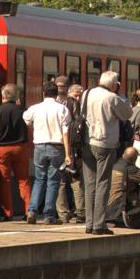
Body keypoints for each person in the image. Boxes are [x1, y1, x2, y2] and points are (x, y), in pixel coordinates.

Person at [81, 71, 133, 234]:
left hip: (87, 142)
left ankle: (89, 223)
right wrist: (119, 93)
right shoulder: (112, 98)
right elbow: (127, 114)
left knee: (90, 184)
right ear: (114, 84)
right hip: (105, 144)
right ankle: (99, 224)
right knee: (103, 182)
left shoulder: (86, 94)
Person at [23, 79, 72, 225]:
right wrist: (68, 154)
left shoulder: (35, 108)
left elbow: (26, 119)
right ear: (57, 94)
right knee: (53, 181)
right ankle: (49, 215)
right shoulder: (62, 109)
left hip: (39, 146)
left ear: (43, 93)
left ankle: (31, 211)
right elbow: (65, 133)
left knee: (39, 179)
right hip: (56, 147)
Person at [0, 84, 32, 220]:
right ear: (16, 96)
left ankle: (7, 213)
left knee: (4, 181)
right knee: (24, 180)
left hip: (2, 149)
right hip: (20, 148)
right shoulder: (23, 110)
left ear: (3, 95)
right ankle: (29, 211)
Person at [105, 146, 140, 229]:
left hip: (107, 212)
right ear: (135, 159)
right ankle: (138, 219)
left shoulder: (113, 165)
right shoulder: (131, 169)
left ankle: (116, 220)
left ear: (123, 155)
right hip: (122, 211)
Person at [58, 83, 87, 223]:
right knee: (76, 182)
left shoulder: (59, 109)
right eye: (76, 95)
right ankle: (81, 212)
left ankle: (63, 213)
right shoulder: (78, 119)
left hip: (59, 149)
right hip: (73, 152)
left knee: (61, 183)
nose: (78, 98)